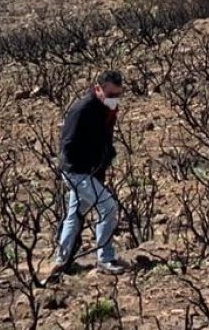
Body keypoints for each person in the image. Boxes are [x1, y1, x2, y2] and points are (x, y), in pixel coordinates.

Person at [52, 70, 125, 277]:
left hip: (90, 171)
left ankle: (61, 261)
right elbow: (68, 143)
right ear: (98, 89)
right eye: (111, 94)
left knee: (74, 215)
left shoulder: (106, 109)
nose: (115, 98)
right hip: (77, 171)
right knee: (108, 207)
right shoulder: (83, 109)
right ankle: (105, 258)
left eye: (118, 94)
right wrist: (84, 166)